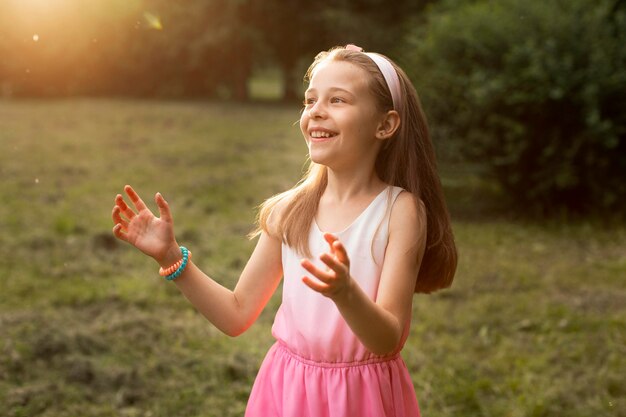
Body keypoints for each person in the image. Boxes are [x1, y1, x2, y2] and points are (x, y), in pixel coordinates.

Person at [111, 44, 457, 417]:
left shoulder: (400, 211)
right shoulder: (290, 211)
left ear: (385, 125)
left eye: (337, 100)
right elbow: (236, 314)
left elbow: (388, 339)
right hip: (288, 393)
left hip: (362, 398)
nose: (316, 112)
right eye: (310, 101)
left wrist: (345, 294)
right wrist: (171, 257)